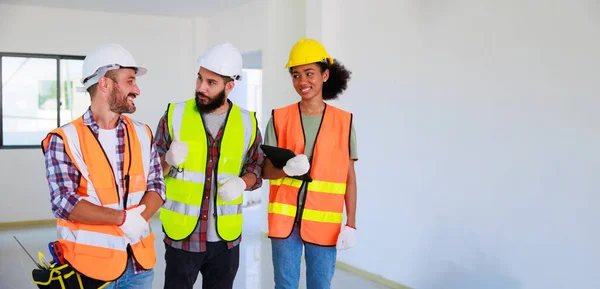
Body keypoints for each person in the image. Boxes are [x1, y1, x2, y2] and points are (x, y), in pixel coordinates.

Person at [41, 43, 166, 289]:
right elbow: (64, 202)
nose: (137, 89)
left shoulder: (142, 133)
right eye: (130, 81)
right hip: (90, 270)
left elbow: (157, 186)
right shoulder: (64, 139)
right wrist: (122, 219)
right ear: (105, 84)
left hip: (139, 266)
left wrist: (138, 220)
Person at [155, 42, 264, 289]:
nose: (201, 87)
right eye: (200, 79)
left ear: (230, 86)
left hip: (225, 241)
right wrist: (167, 161)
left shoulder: (247, 122)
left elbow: (257, 166)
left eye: (211, 83)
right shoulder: (175, 114)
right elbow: (150, 172)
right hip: (182, 236)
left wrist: (242, 182)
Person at [262, 38, 359, 289]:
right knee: (285, 286)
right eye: (295, 75)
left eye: (309, 73)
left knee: (320, 285)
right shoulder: (279, 118)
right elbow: (265, 171)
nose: (302, 81)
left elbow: (350, 177)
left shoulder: (344, 122)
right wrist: (286, 169)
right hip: (285, 223)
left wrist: (351, 223)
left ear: (325, 75)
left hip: (324, 223)